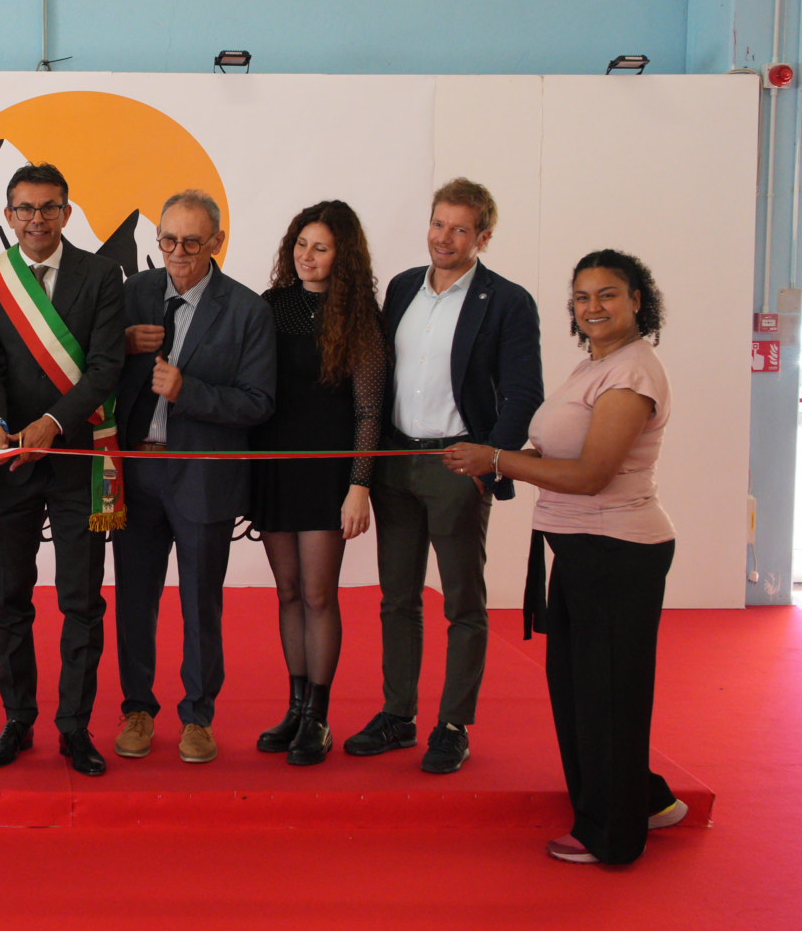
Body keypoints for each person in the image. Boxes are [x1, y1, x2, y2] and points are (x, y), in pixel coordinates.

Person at [443, 250, 683, 865]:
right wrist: (493, 457)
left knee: (605, 699)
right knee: (585, 694)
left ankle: (612, 835)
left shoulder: (632, 373)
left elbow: (591, 475)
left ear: (637, 301)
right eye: (582, 296)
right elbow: (560, 454)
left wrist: (497, 459)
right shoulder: (594, 365)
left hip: (617, 551)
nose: (593, 307)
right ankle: (648, 799)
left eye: (608, 294)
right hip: (584, 551)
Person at [347, 177, 541, 774]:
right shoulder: (403, 287)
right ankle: (398, 714)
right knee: (397, 598)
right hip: (396, 461)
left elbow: (523, 392)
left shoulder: (507, 301)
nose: (445, 238)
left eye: (460, 229)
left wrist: (491, 459)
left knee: (463, 602)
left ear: (483, 237)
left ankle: (454, 724)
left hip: (458, 465)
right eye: (438, 224)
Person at [0, 163, 125, 776]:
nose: (38, 219)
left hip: (76, 459)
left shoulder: (101, 273)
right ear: (9, 215)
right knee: (10, 597)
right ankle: (17, 719)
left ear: (67, 211)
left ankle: (75, 727)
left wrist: (53, 424)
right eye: (26, 208)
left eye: (50, 207)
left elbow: (106, 367)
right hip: (9, 459)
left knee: (81, 601)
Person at [112, 189, 275, 764]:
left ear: (217, 243)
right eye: (168, 240)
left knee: (200, 602)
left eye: (191, 242)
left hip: (203, 477)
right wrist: (122, 345)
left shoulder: (248, 310)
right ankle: (137, 707)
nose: (177, 253)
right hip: (137, 473)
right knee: (134, 599)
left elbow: (259, 402)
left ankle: (198, 716)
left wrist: (190, 391)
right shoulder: (133, 293)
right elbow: (95, 370)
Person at [250, 201, 386, 766]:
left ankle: (319, 717)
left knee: (317, 594)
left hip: (328, 471)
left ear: (343, 256)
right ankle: (296, 707)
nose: (307, 256)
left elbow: (369, 411)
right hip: (275, 466)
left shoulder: (359, 316)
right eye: (301, 244)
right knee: (286, 593)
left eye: (321, 247)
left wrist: (360, 485)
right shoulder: (271, 305)